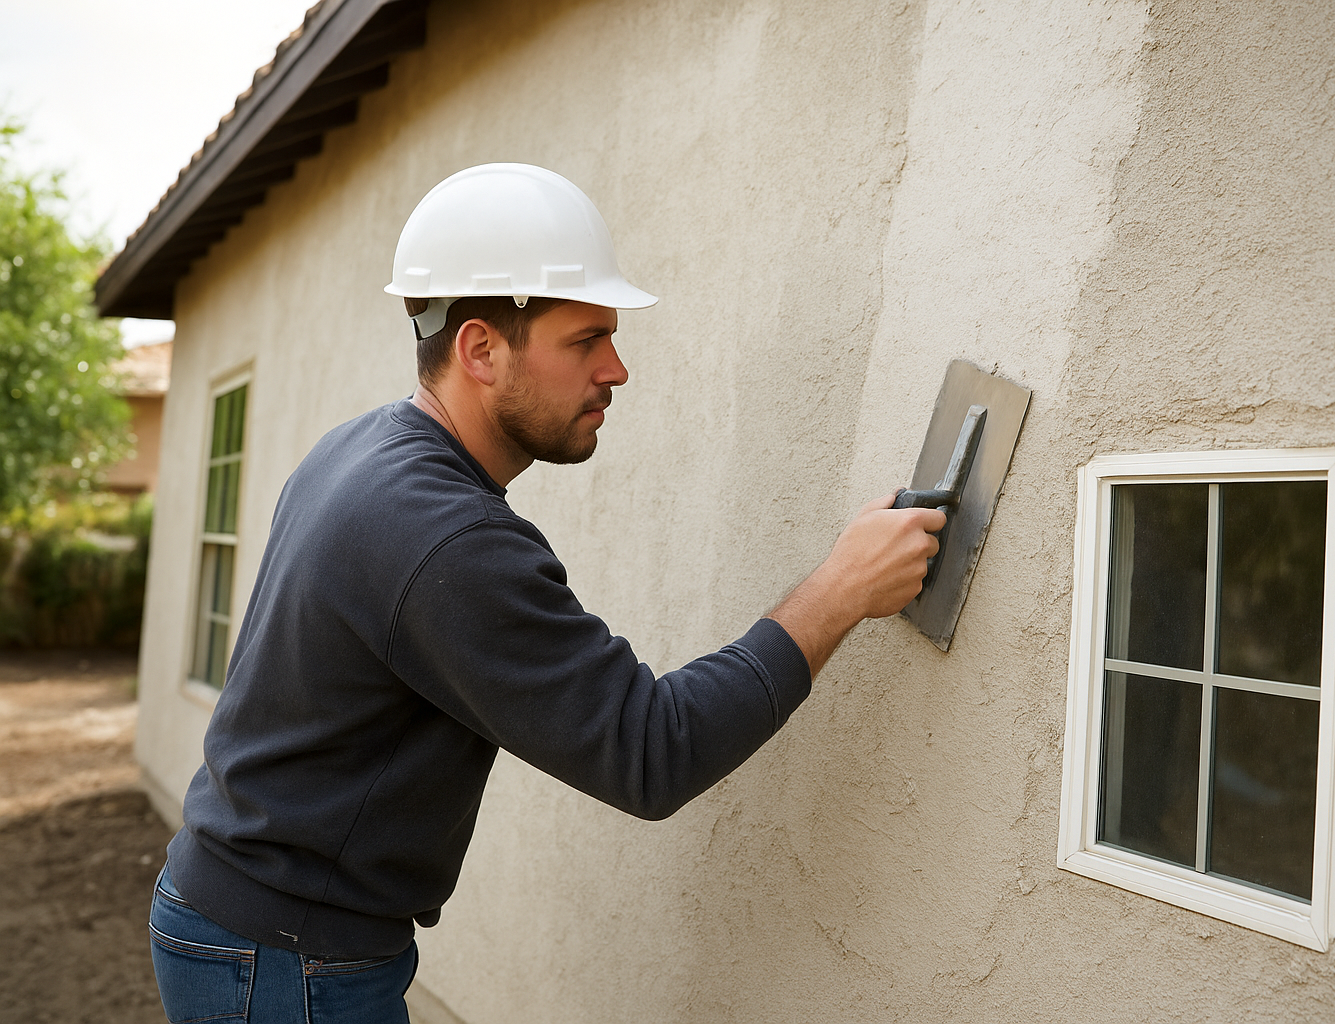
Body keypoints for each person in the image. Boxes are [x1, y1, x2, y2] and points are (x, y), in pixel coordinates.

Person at [148, 164, 945, 1023]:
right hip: (284, 960)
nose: (617, 369)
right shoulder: (445, 537)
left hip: (242, 920)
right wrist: (841, 588)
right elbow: (652, 750)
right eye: (585, 341)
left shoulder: (359, 451)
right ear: (481, 349)